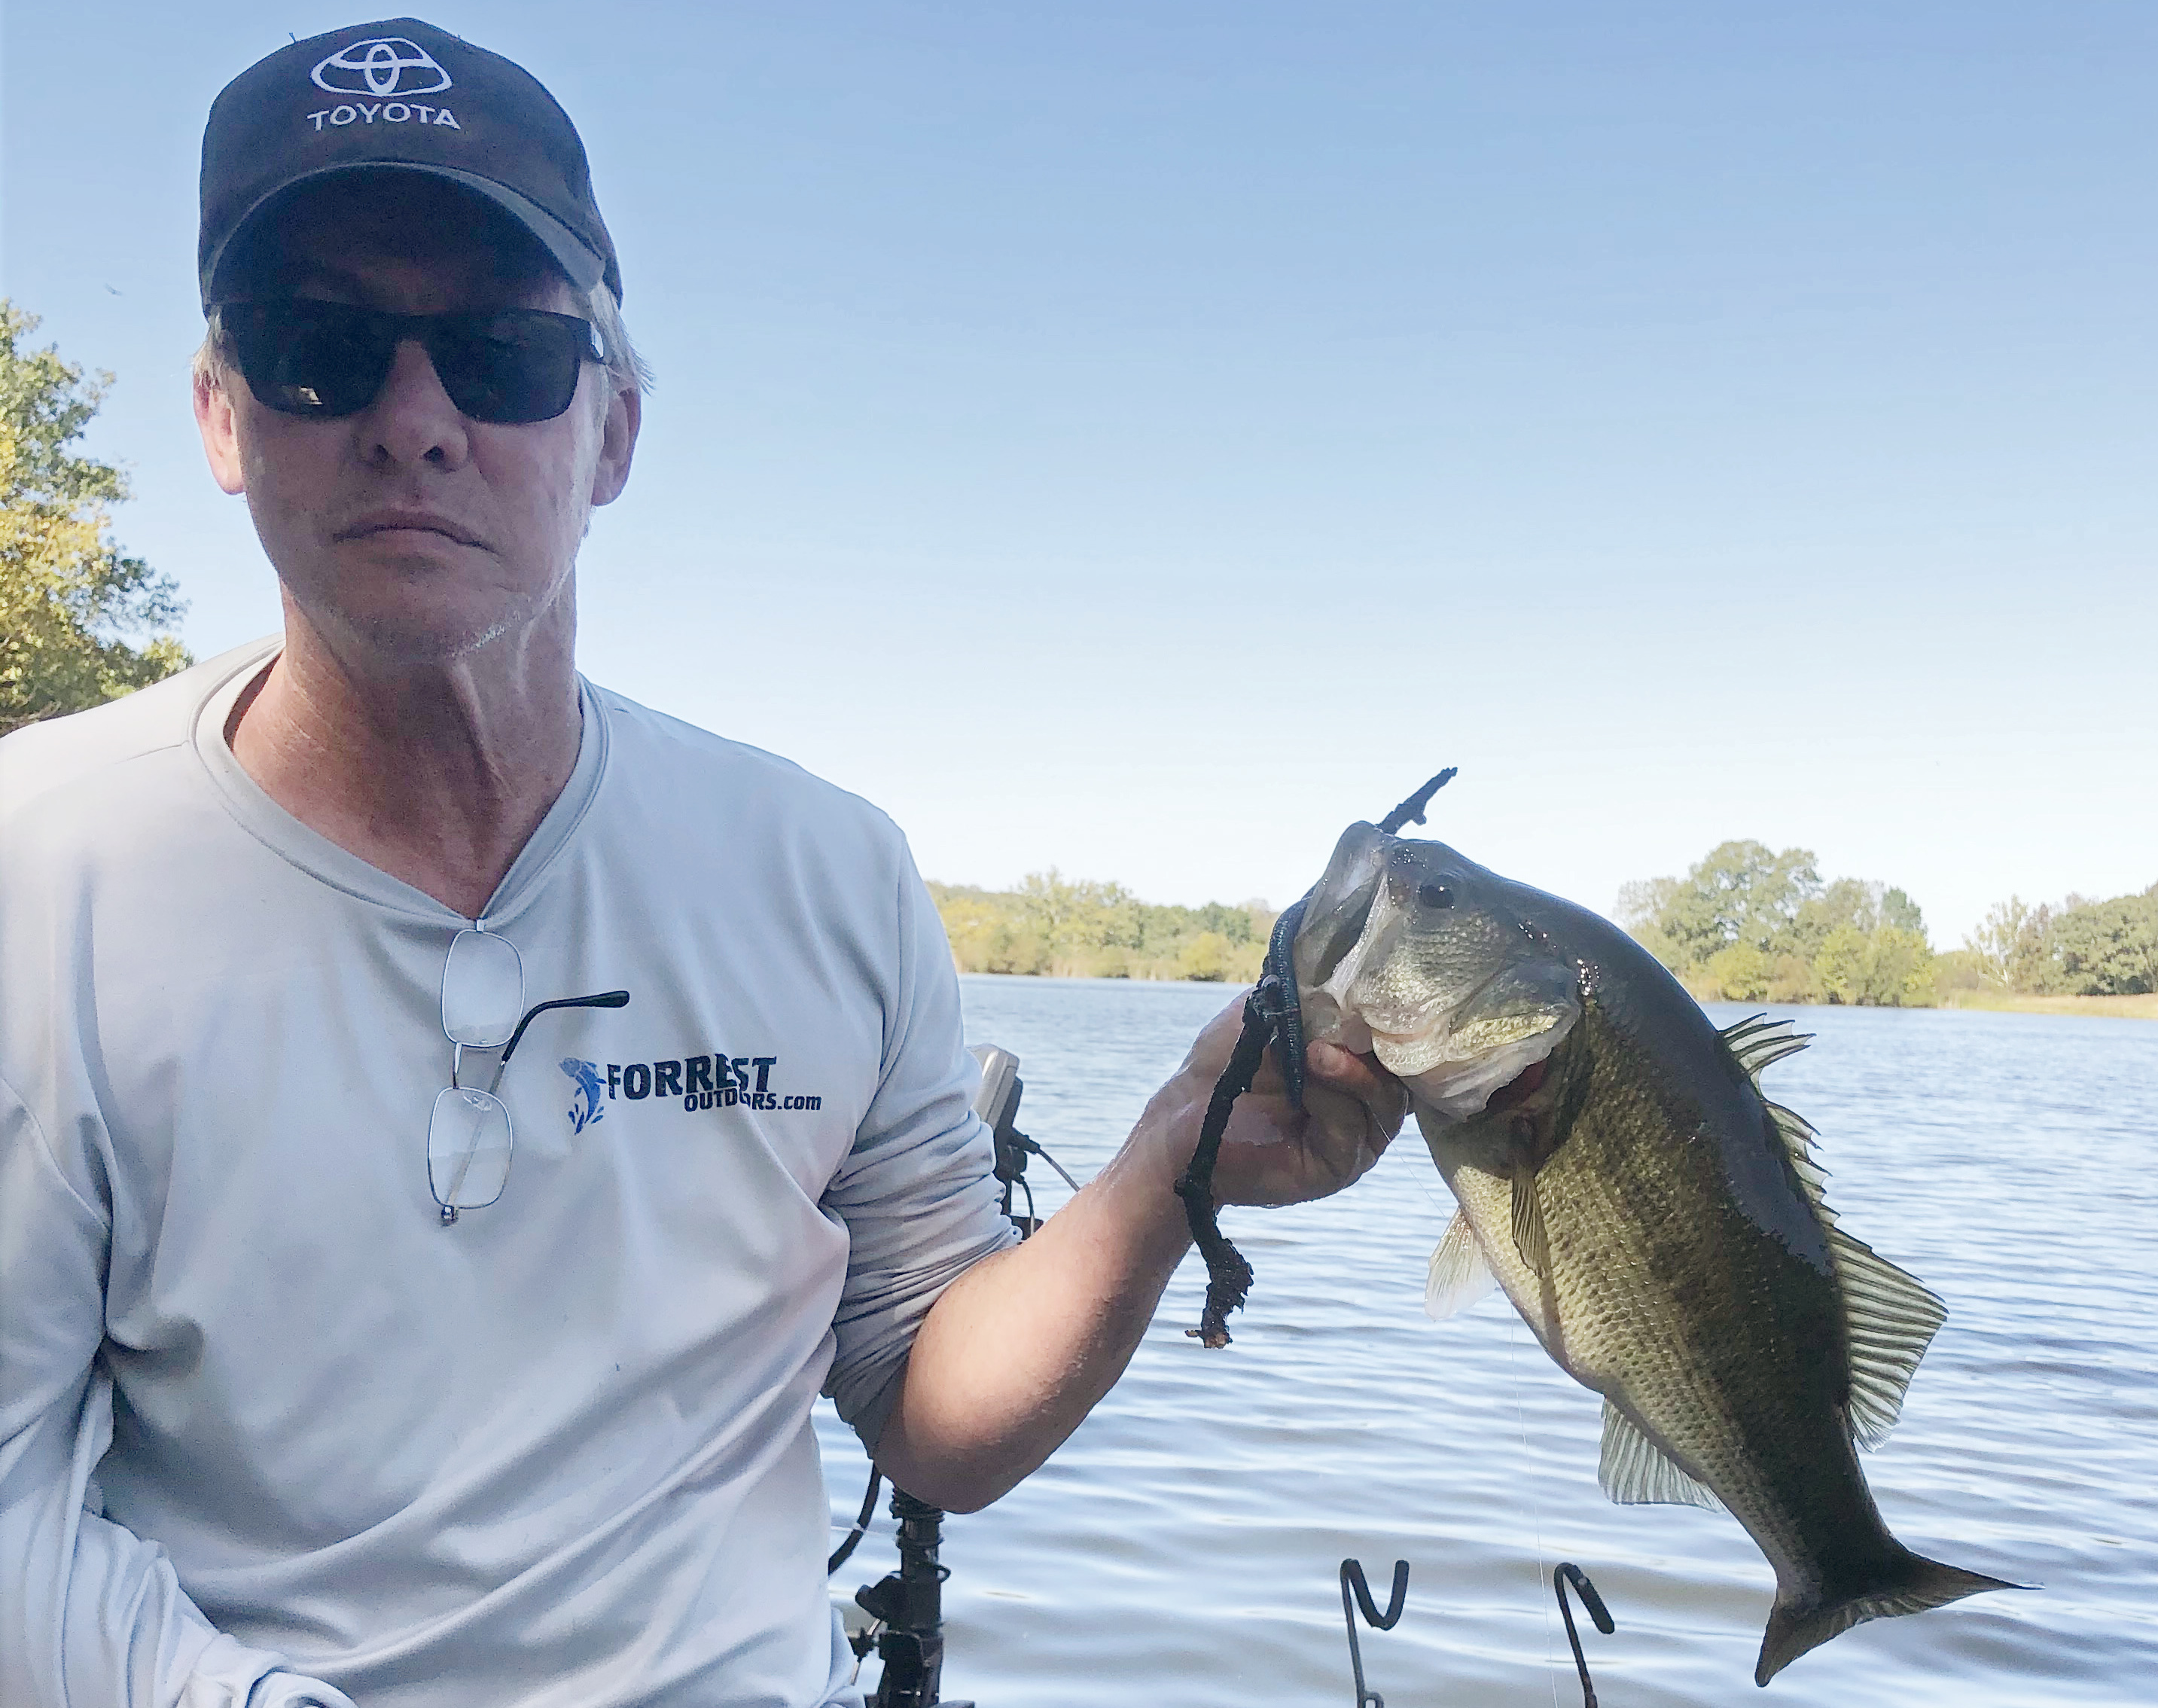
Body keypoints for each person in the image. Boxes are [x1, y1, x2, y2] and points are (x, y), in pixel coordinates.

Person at [0, 20, 1406, 1708]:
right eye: (323, 347)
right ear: (225, 416)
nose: (415, 419)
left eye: (505, 354)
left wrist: (1165, 1167)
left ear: (614, 435)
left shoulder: (826, 870)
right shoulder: (42, 875)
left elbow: (928, 1409)